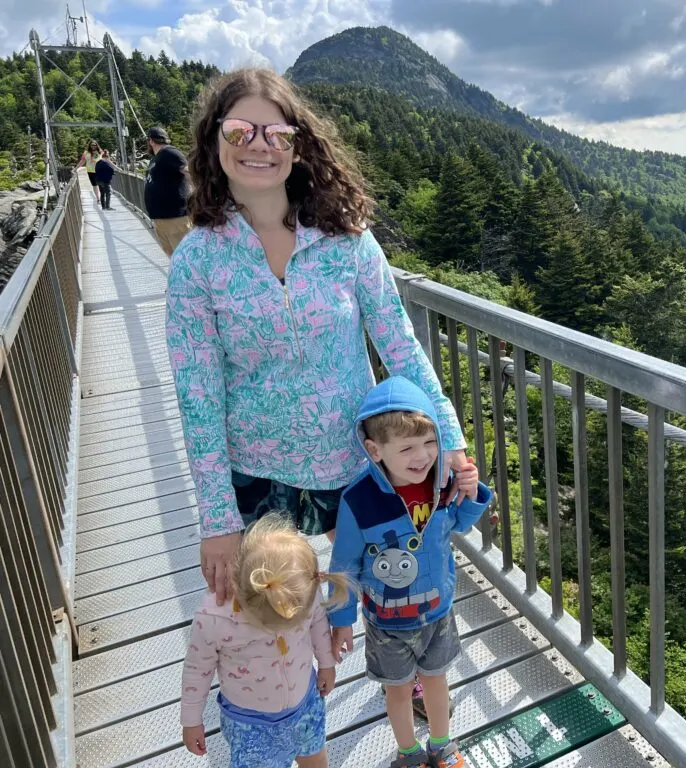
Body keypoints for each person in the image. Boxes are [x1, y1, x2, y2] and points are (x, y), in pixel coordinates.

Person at [165, 67, 472, 606]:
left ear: (298, 147)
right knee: (274, 615)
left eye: (277, 134)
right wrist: (216, 517)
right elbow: (199, 396)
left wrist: (446, 434)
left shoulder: (347, 241)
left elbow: (398, 344)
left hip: (356, 459)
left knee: (390, 589)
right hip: (255, 471)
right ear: (214, 141)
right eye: (240, 131)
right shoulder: (197, 261)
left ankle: (404, 682)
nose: (259, 146)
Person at [328, 375, 491, 768]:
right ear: (375, 449)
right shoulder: (358, 500)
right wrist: (342, 620)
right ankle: (408, 752)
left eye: (430, 442)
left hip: (437, 610)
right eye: (407, 448)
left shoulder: (440, 480)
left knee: (436, 680)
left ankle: (442, 744)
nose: (422, 456)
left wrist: (472, 493)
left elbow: (456, 525)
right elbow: (344, 565)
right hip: (386, 620)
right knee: (398, 690)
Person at [180, 514, 348, 767]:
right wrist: (191, 720)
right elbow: (197, 670)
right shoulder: (214, 618)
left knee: (315, 755)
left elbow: (317, 622)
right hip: (251, 724)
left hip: (306, 702)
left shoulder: (300, 585)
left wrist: (326, 663)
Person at [145, 125, 191, 255]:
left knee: (184, 258)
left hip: (174, 218)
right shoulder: (156, 158)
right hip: (161, 219)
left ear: (151, 141)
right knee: (175, 261)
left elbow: (189, 172)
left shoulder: (170, 152)